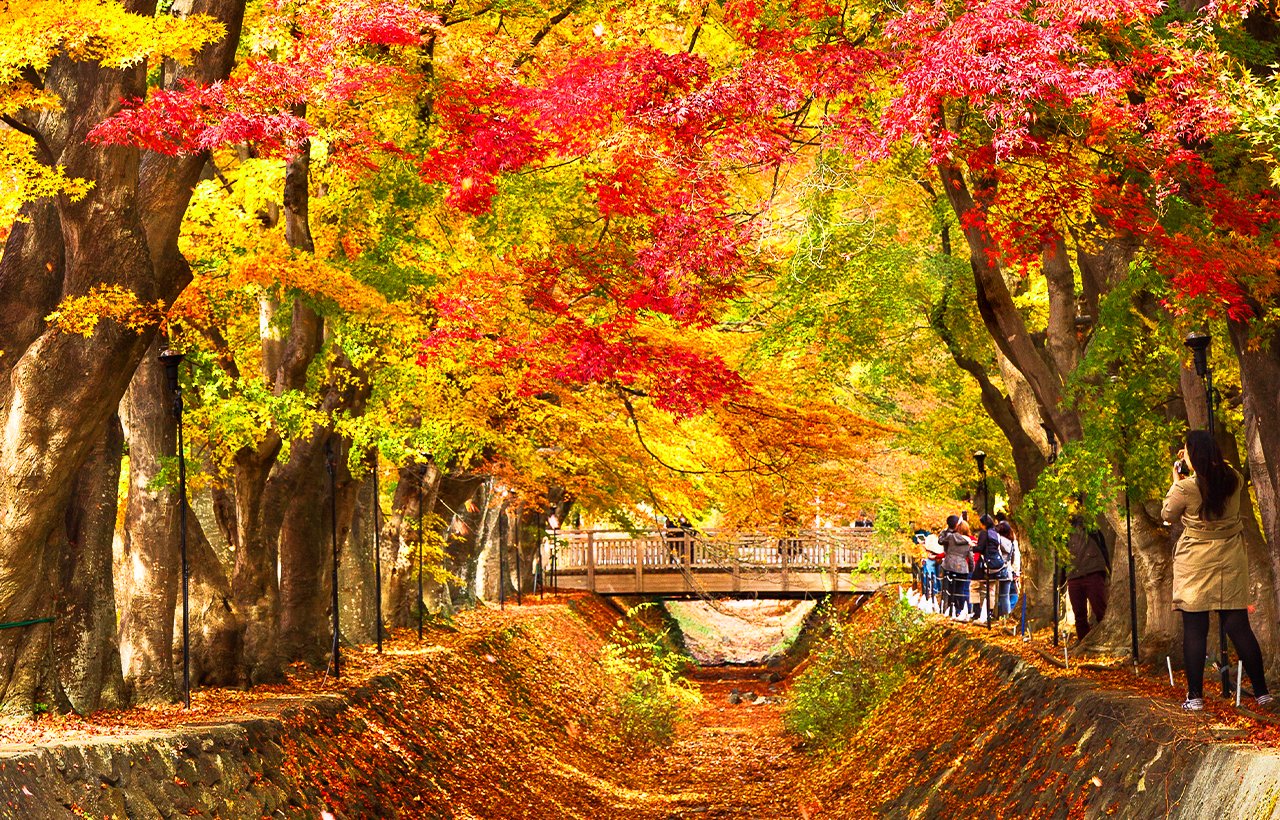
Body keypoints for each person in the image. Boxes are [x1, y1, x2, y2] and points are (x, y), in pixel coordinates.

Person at [1162, 430, 1271, 711]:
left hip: (1195, 562)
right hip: (1230, 561)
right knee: (1238, 626)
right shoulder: (1233, 478)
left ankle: (1195, 697)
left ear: (1192, 455)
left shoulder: (1185, 488)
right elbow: (1214, 478)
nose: (1182, 455)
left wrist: (1177, 479)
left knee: (1195, 629)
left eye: (1185, 451)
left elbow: (1168, 514)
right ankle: (1262, 693)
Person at [1066, 515, 1109, 642]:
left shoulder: (1087, 523)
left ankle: (1104, 641)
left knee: (1101, 611)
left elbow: (1100, 543)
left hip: (1092, 572)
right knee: (1079, 615)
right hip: (1073, 575)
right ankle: (1083, 642)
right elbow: (1060, 556)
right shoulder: (1062, 530)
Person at [940, 517, 973, 618]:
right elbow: (971, 558)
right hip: (962, 568)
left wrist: (944, 531)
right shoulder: (969, 542)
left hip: (949, 565)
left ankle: (949, 608)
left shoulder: (950, 537)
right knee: (960, 590)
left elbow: (941, 541)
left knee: (949, 589)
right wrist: (971, 569)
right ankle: (960, 610)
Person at [996, 521, 1019, 617]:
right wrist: (1016, 570)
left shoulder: (998, 541)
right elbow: (1015, 558)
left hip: (999, 569)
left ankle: (1002, 615)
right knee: (1007, 595)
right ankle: (1007, 615)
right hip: (1009, 570)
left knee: (1000, 595)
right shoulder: (1012, 542)